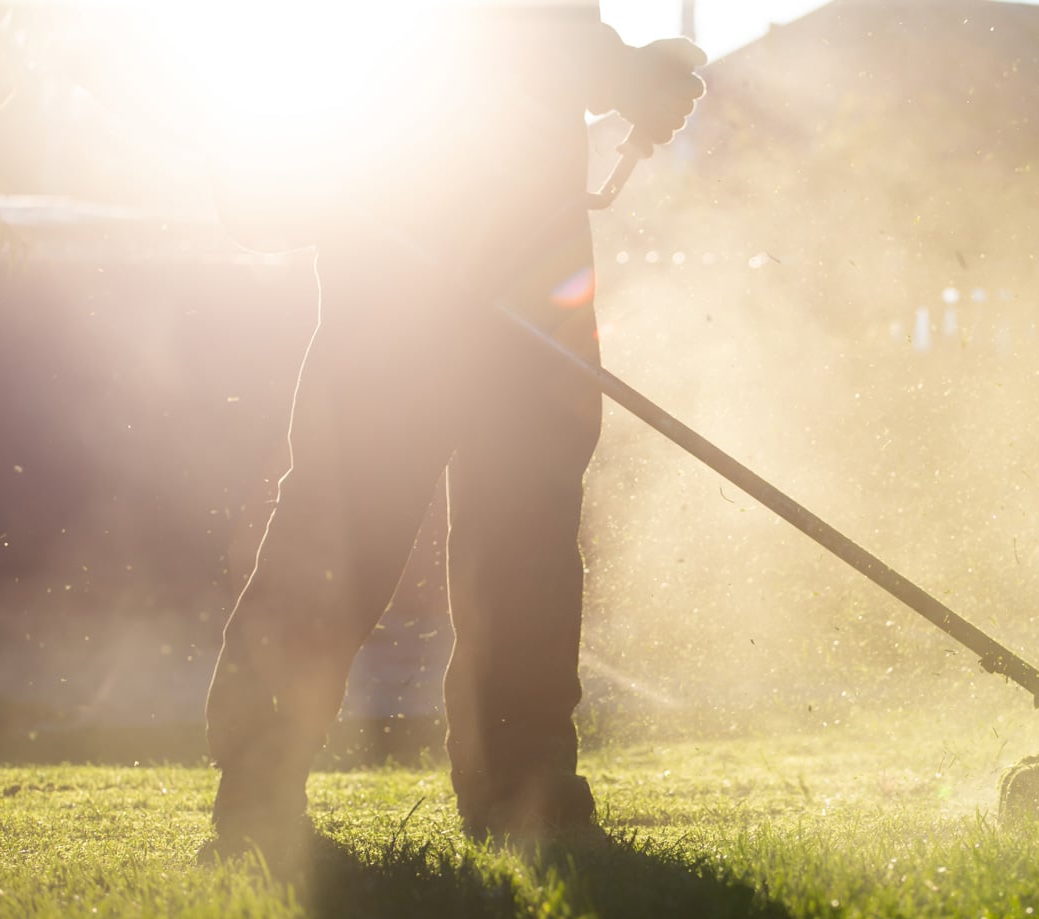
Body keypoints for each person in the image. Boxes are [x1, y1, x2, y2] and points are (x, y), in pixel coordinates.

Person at [203, 3, 706, 850]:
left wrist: (621, 75)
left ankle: (523, 797)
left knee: (513, 547)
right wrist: (624, 76)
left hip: (519, 280)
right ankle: (266, 797)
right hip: (411, 284)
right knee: (355, 535)